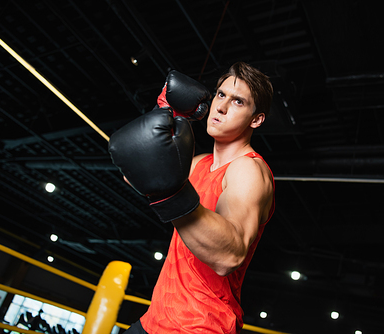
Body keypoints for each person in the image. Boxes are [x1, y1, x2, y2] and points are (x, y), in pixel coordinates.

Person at [109, 62, 275, 334]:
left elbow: (228, 256)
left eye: (238, 102)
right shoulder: (199, 163)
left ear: (256, 119)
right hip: (156, 319)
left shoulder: (248, 170)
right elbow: (135, 171)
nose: (221, 107)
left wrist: (172, 193)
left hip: (200, 325)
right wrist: (164, 112)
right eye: (220, 95)